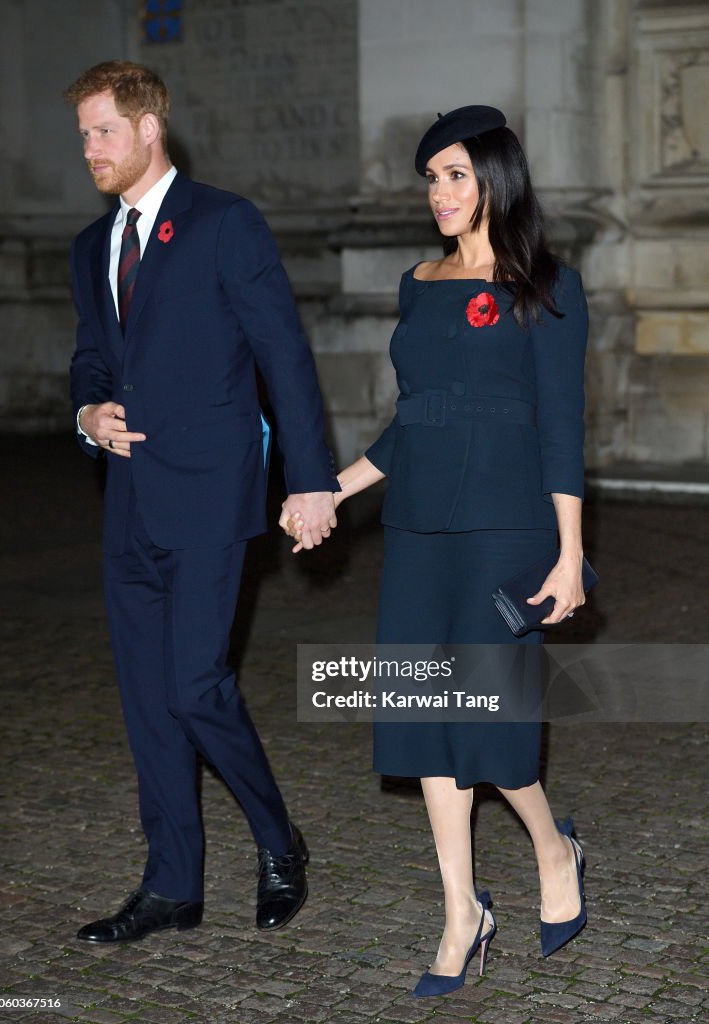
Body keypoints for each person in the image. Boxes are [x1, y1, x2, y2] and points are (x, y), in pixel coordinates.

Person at [283, 105, 589, 995]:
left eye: (456, 175)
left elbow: (560, 431)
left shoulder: (546, 285)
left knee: (490, 724)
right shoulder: (418, 283)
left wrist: (569, 554)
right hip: (419, 530)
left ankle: (551, 848)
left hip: (509, 528)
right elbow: (410, 424)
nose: (440, 194)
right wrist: (327, 491)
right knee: (425, 718)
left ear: (495, 179)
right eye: (430, 178)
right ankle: (462, 912)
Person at [65, 60, 338, 943]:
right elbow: (94, 359)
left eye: (103, 131)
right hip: (129, 504)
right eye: (83, 137)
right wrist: (86, 411)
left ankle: (277, 840)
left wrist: (309, 480)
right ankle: (172, 884)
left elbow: (283, 357)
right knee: (148, 702)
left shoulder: (225, 223)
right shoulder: (90, 246)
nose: (91, 151)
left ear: (150, 129)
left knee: (194, 688)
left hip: (213, 502)